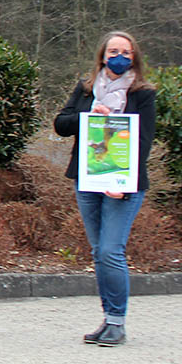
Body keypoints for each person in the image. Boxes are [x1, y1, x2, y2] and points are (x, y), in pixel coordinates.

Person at [53, 31, 155, 347]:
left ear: (134, 56)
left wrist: (121, 181)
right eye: (113, 50)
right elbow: (61, 123)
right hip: (87, 179)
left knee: (112, 250)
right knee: (99, 253)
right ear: (103, 55)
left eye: (125, 51)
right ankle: (108, 318)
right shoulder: (86, 89)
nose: (119, 56)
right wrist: (89, 115)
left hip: (121, 183)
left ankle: (117, 322)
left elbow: (144, 142)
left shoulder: (143, 94)